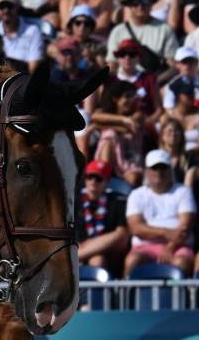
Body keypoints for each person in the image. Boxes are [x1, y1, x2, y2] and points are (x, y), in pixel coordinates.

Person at [125, 149, 196, 277]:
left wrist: (170, 247)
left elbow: (186, 226)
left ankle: (180, 297)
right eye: (154, 168)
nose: (159, 172)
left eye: (163, 167)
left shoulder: (184, 192)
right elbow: (136, 228)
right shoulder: (136, 195)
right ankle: (125, 297)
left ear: (170, 170)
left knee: (182, 263)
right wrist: (166, 232)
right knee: (132, 261)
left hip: (178, 246)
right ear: (147, 171)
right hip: (144, 247)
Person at [106, 0, 179, 75]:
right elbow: (112, 64)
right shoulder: (118, 31)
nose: (140, 6)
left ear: (151, 4)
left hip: (155, 79)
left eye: (144, 1)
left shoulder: (165, 29)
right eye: (135, 3)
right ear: (130, 6)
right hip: (125, 83)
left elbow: (172, 63)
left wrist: (155, 83)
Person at [77, 160, 129, 271]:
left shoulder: (117, 201)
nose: (93, 182)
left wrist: (90, 245)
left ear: (107, 182)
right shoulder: (74, 201)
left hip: (107, 253)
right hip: (76, 246)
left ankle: (76, 256)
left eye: (98, 178)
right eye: (89, 177)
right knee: (97, 260)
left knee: (98, 259)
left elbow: (121, 237)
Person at [93, 78, 144, 187]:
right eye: (127, 96)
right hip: (110, 157)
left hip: (129, 160)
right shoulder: (110, 114)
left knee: (110, 133)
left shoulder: (138, 115)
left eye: (133, 96)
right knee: (110, 137)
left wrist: (104, 125)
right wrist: (123, 120)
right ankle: (103, 177)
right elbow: (95, 116)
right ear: (116, 99)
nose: (131, 100)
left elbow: (128, 128)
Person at [0, 0, 44, 72]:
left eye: (10, 6)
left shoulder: (33, 31)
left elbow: (33, 69)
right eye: (1, 6)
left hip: (22, 81)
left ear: (17, 6)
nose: (6, 10)